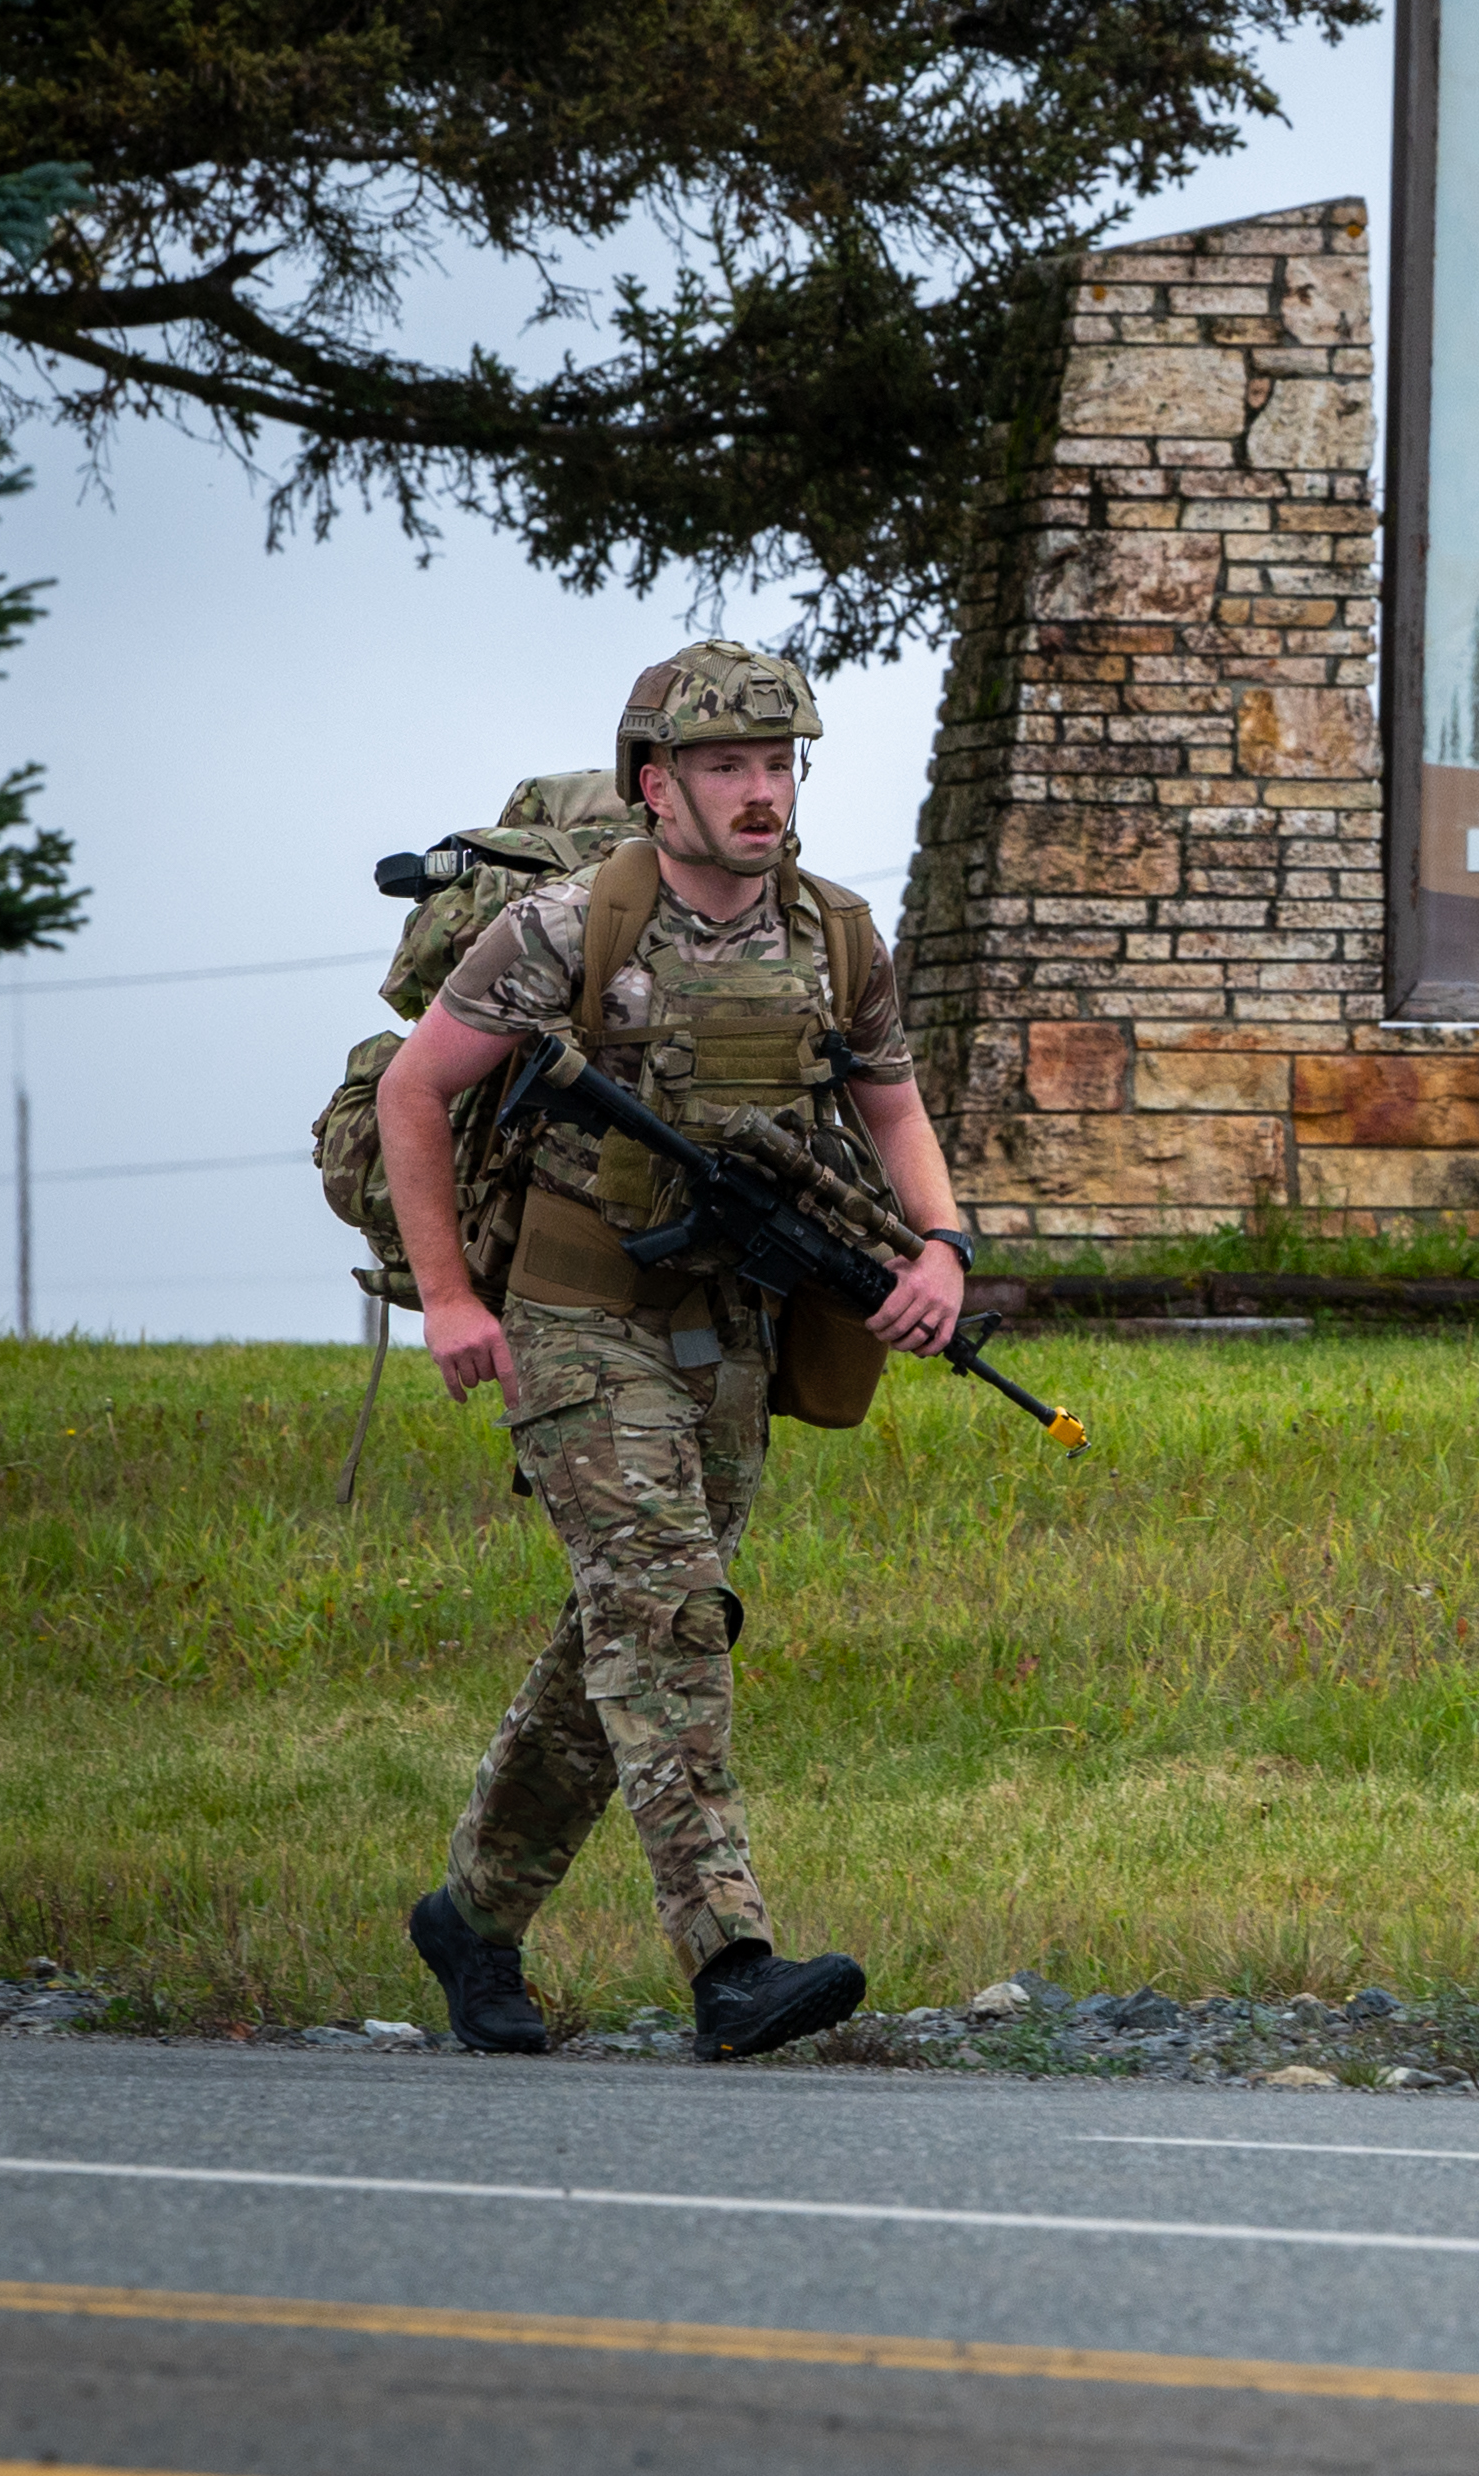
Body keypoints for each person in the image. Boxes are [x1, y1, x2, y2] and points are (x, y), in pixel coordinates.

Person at [370, 641, 977, 2061]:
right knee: (671, 1614)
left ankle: (471, 1915)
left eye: (777, 764)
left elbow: (891, 1107)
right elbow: (414, 1092)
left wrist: (939, 1247)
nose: (760, 793)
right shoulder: (566, 929)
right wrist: (453, 1299)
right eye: (726, 767)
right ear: (659, 783)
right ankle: (731, 1958)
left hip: (734, 1333)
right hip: (574, 1320)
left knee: (625, 1631)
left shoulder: (834, 932)